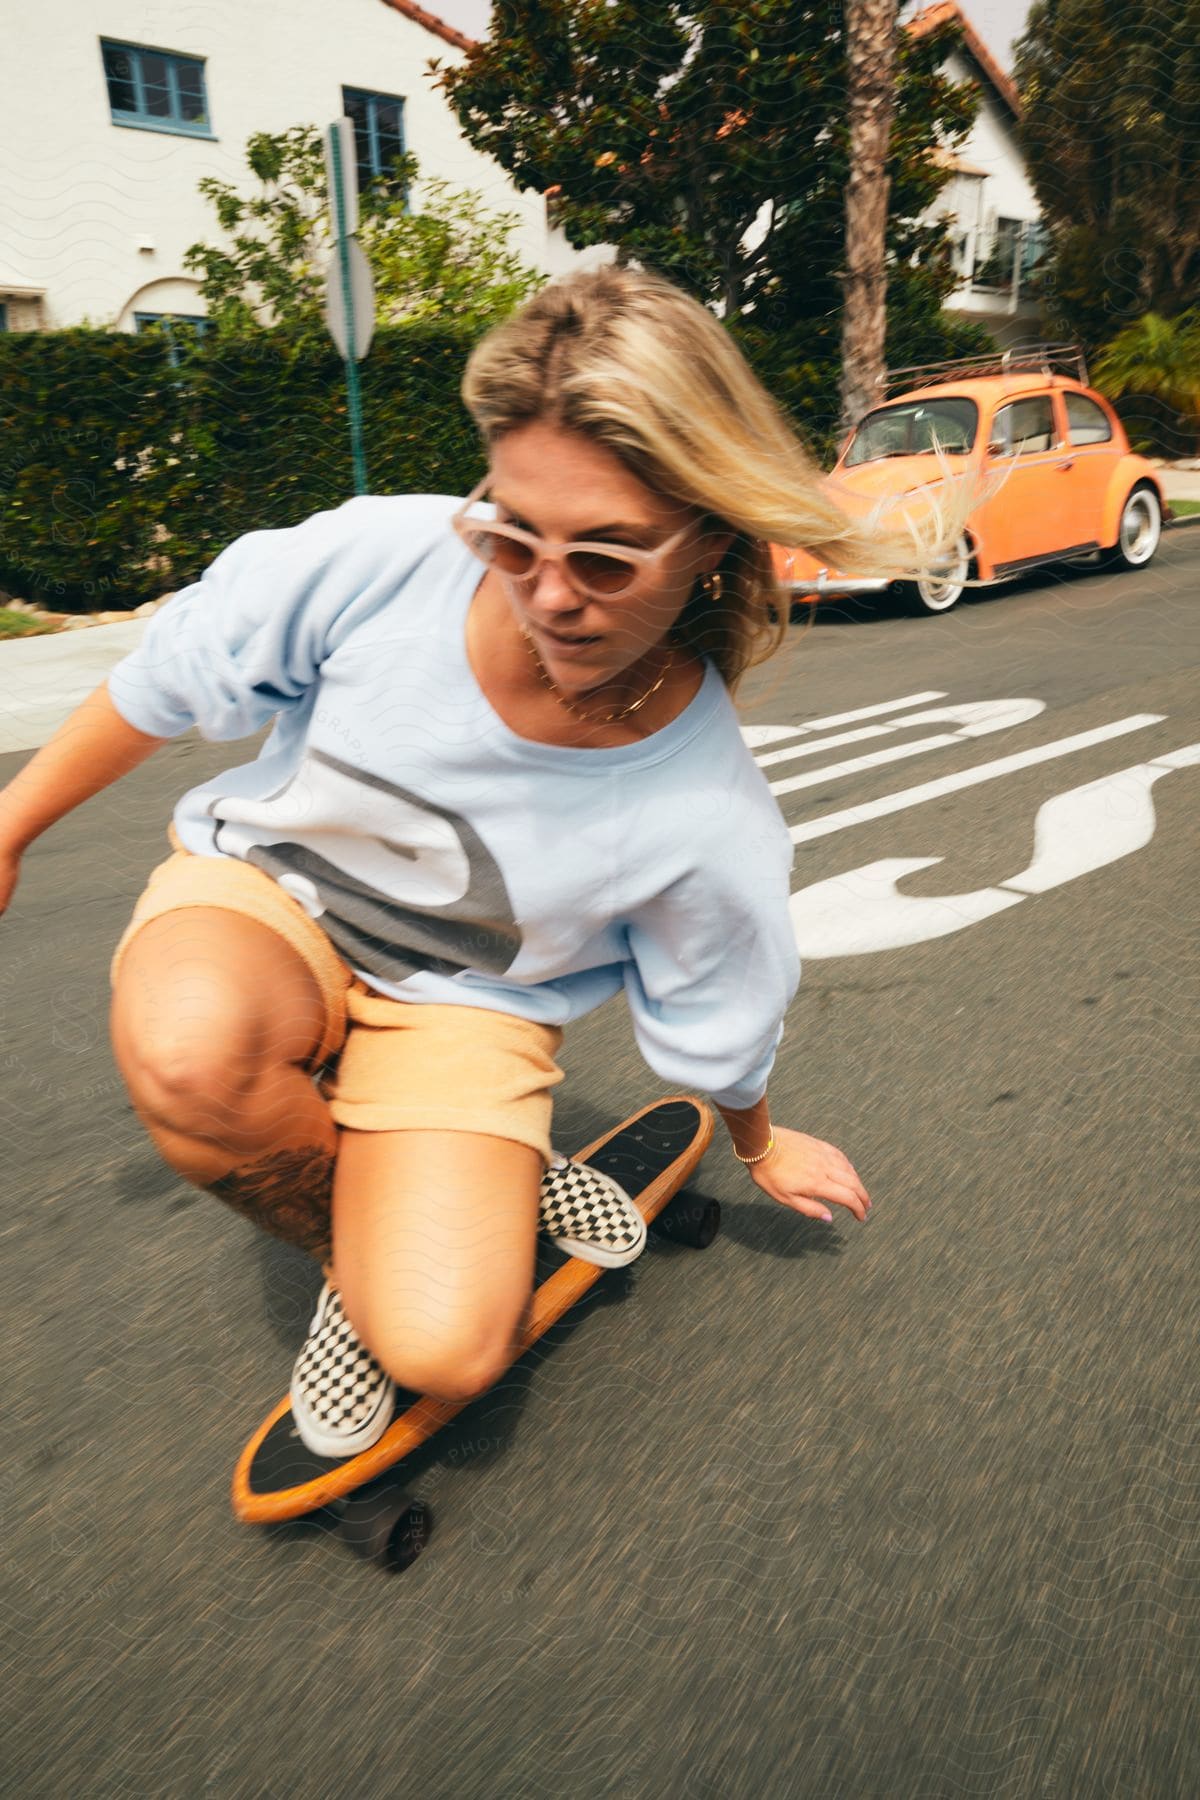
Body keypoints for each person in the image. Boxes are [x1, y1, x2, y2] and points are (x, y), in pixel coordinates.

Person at [0, 267, 954, 1458]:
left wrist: (760, 1140)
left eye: (605, 560)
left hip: (462, 1004)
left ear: (709, 538)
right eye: (510, 533)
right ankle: (363, 1245)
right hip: (268, 906)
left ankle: (460, 1190)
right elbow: (171, 676)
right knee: (194, 1053)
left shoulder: (701, 801)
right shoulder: (381, 559)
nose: (548, 597)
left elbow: (721, 999)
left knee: (451, 1349)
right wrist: (11, 827)